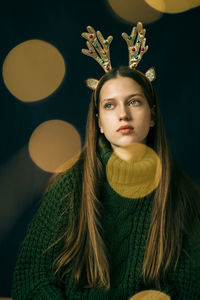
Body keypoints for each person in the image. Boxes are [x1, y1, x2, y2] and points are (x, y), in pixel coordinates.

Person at [12, 24, 200, 300]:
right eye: (110, 105)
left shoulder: (180, 193)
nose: (123, 114)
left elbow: (192, 287)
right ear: (99, 123)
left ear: (152, 116)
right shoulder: (70, 186)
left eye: (134, 102)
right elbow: (31, 279)